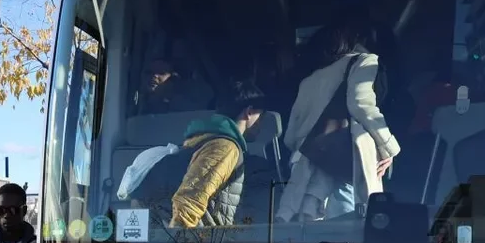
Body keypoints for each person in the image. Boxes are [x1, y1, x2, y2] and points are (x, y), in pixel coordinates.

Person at [278, 17, 400, 221]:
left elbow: (290, 136)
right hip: (342, 166)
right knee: (346, 236)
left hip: (305, 172)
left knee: (310, 241)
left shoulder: (309, 79)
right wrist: (388, 146)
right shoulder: (363, 61)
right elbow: (361, 104)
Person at [169, 82, 267, 228]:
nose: (261, 123)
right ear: (249, 112)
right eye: (261, 115)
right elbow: (190, 200)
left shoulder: (199, 139)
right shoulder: (224, 147)